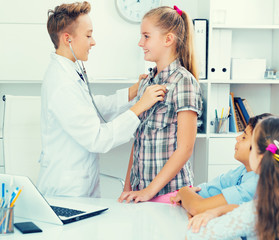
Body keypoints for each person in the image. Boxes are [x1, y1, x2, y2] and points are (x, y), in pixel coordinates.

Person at [37, 1, 167, 198]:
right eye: (88, 35)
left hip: (79, 184)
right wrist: (141, 106)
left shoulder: (69, 71)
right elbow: (98, 139)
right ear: (67, 39)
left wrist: (133, 92)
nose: (93, 41)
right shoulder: (61, 84)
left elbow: (92, 107)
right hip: (66, 190)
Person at [118, 5, 203, 204]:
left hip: (170, 195)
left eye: (146, 36)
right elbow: (138, 140)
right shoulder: (147, 82)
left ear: (168, 39)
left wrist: (149, 191)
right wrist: (128, 187)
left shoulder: (184, 81)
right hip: (141, 192)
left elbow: (185, 149)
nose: (140, 43)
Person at [186, 115, 279, 240]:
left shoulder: (255, 211)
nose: (238, 137)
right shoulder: (258, 205)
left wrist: (187, 195)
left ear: (260, 157)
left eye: (246, 138)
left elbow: (193, 235)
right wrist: (218, 211)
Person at [171, 113, 271, 216]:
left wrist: (184, 191)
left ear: (261, 151)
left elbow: (196, 208)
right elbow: (202, 192)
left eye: (244, 137)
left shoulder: (257, 184)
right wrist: (188, 199)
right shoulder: (243, 170)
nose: (237, 138)